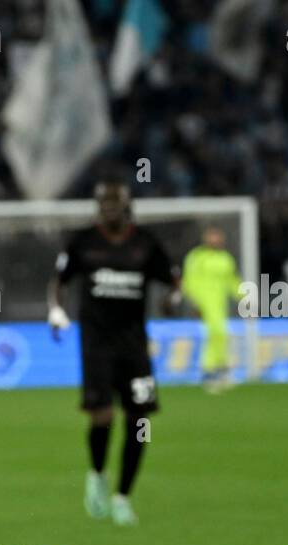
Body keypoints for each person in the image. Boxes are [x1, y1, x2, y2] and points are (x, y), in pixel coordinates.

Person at [47, 180, 180, 527]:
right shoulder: (83, 242)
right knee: (102, 415)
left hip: (135, 347)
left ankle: (123, 497)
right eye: (103, 203)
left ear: (126, 206)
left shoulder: (145, 244)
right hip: (96, 345)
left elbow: (172, 279)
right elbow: (59, 281)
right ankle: (97, 473)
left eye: (114, 203)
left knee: (139, 420)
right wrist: (55, 311)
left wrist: (171, 299)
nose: (108, 208)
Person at [182, 227, 243, 393]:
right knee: (215, 334)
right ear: (206, 239)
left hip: (219, 304)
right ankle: (210, 371)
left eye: (218, 237)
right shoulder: (196, 256)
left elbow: (232, 281)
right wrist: (193, 302)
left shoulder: (225, 258)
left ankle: (220, 370)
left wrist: (244, 296)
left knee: (220, 334)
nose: (215, 240)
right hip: (203, 304)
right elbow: (188, 280)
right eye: (212, 237)